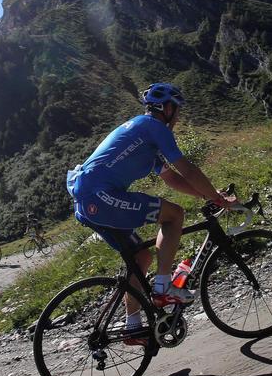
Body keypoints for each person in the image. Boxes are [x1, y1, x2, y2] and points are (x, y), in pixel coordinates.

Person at [65, 82, 236, 336]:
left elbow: (171, 178)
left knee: (141, 258)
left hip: (89, 198)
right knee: (174, 215)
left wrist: (207, 195)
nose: (177, 116)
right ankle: (164, 288)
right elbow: (186, 168)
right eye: (176, 109)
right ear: (166, 107)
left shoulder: (142, 132)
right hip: (99, 196)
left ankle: (133, 329)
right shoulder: (155, 128)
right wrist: (217, 198)